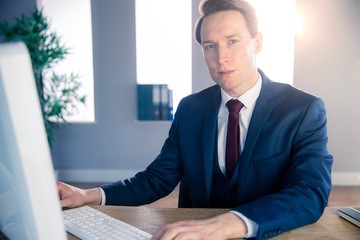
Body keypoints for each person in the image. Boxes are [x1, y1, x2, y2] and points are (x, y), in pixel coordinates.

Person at [57, 0, 333, 239]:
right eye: (210, 46)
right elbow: (157, 179)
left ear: (257, 42)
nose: (221, 57)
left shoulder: (303, 109)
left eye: (232, 41)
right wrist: (87, 195)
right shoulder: (190, 108)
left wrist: (230, 224)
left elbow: (310, 193)